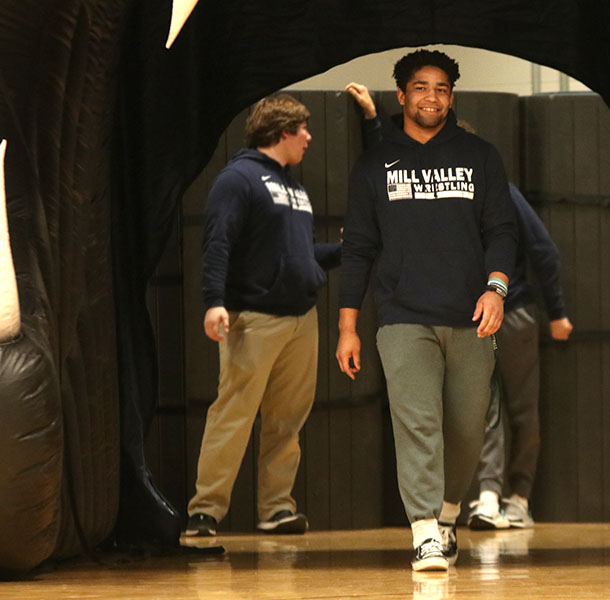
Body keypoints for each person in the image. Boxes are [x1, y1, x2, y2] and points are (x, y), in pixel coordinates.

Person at [345, 82, 574, 530]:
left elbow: (542, 250)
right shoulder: (414, 176)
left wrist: (558, 310)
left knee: (516, 409)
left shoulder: (497, 185)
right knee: (475, 411)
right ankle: (484, 498)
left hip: (512, 310)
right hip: (454, 315)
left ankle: (518, 498)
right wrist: (373, 119)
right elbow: (389, 181)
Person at [337, 50, 517, 571]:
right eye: (420, 87)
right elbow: (357, 250)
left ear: (451, 96)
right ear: (402, 95)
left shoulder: (481, 155)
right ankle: (423, 533)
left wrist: (496, 290)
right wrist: (348, 327)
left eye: (440, 88)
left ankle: (446, 514)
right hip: (402, 316)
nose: (430, 97)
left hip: (471, 316)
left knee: (465, 432)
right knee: (416, 423)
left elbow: (501, 231)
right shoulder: (374, 164)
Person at [185, 94, 340, 537]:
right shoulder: (238, 179)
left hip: (301, 320)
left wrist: (346, 252)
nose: (310, 138)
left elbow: (300, 254)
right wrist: (214, 300)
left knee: (286, 421)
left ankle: (276, 509)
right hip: (254, 318)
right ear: (283, 131)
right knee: (233, 415)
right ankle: (205, 511)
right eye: (304, 129)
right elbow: (218, 242)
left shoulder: (295, 187)